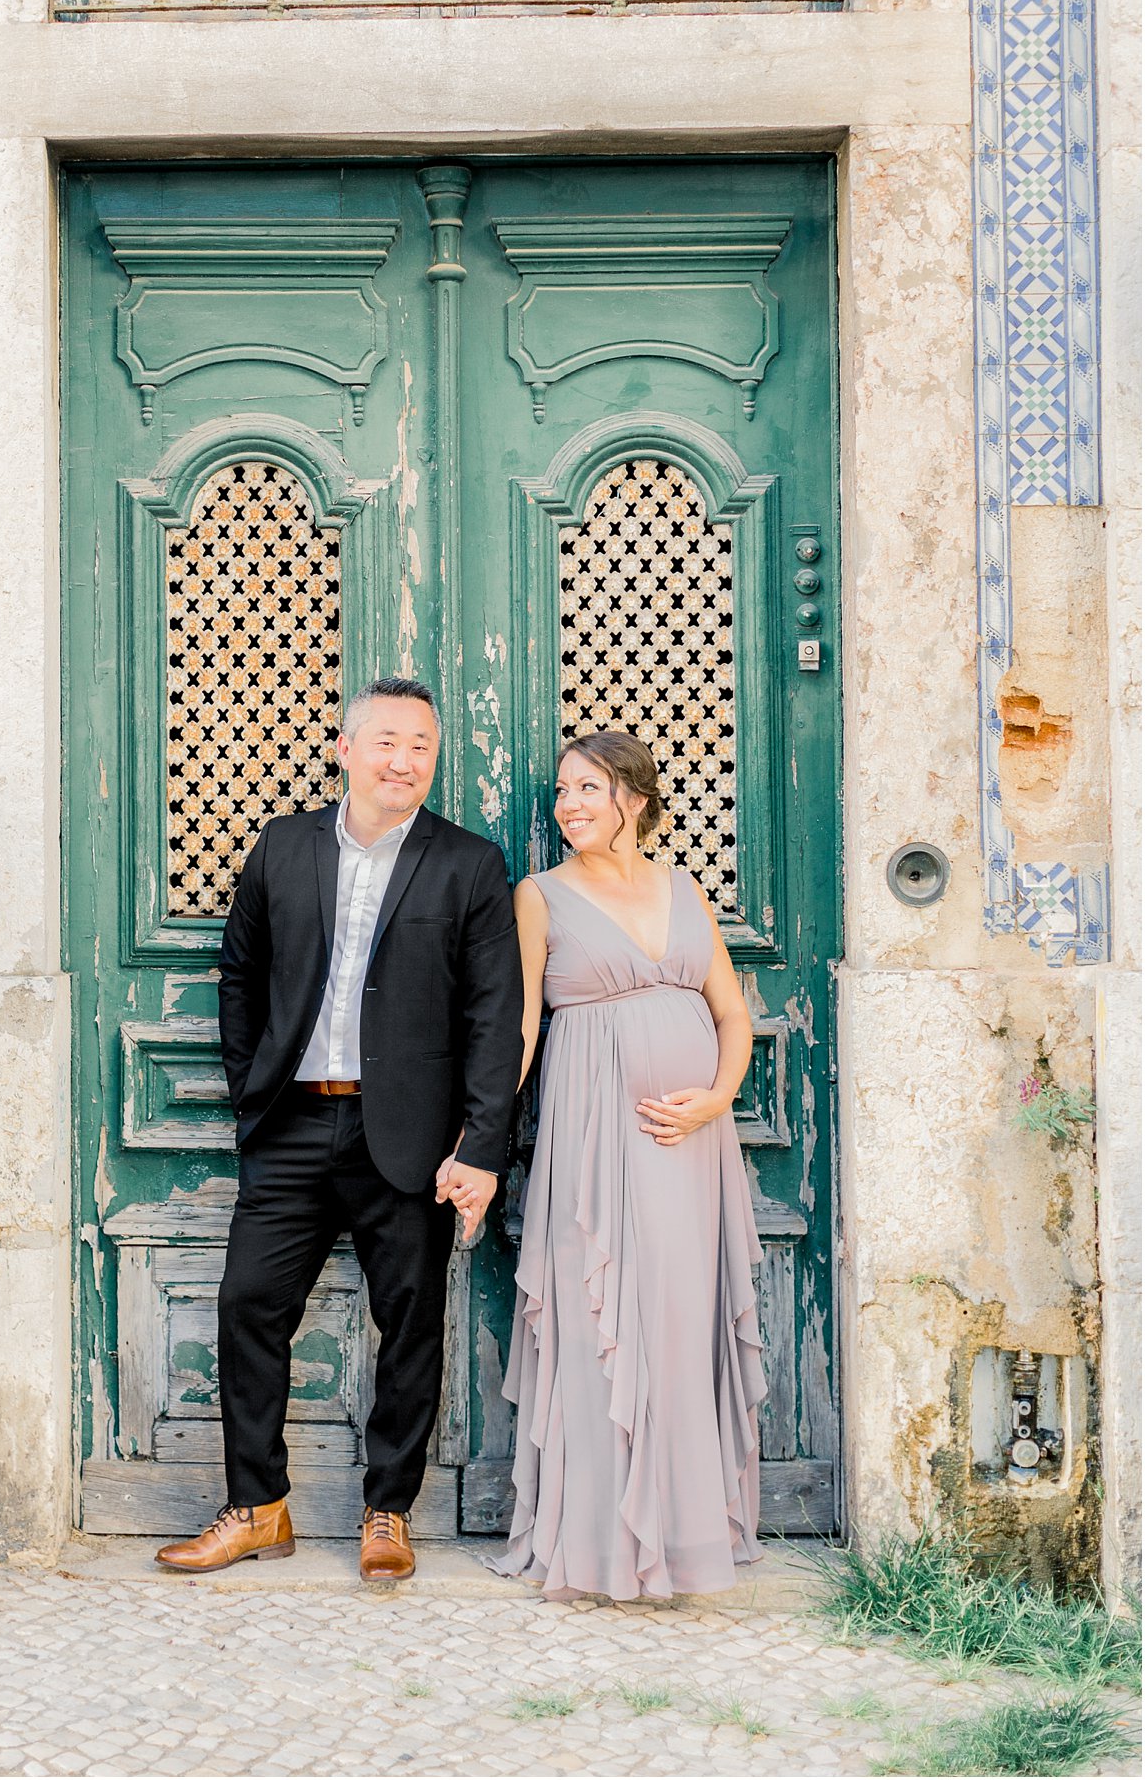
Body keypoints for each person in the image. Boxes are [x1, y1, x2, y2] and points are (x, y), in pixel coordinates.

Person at [156, 677, 524, 1583]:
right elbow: (238, 972)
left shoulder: (469, 863)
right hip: (290, 1121)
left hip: (407, 1136)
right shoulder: (284, 845)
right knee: (248, 1304)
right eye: (389, 742)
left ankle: (387, 1510)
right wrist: (252, 1089)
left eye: (422, 748)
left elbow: (494, 1015)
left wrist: (481, 1146)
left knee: (410, 1324)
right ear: (347, 748)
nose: (405, 761)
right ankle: (259, 1507)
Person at [445, 727, 765, 1600]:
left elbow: (732, 1013)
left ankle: (685, 1535)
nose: (569, 806)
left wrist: (717, 1097)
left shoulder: (684, 888)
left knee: (673, 1319)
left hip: (691, 1144)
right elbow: (519, 1028)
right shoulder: (539, 895)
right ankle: (597, 1544)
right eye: (561, 791)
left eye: (588, 789)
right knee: (596, 1323)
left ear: (636, 797)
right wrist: (481, 1144)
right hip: (592, 1140)